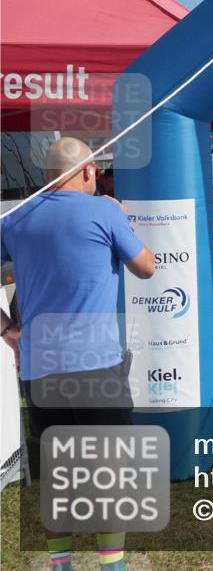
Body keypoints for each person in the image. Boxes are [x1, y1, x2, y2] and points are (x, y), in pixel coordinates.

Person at [0, 137, 155, 571]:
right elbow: (147, 266)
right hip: (96, 368)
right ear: (87, 171)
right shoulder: (105, 209)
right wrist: (122, 219)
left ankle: (61, 564)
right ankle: (112, 566)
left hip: (40, 368)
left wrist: (7, 329)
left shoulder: (15, 219)